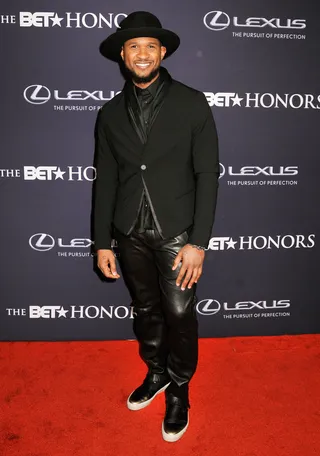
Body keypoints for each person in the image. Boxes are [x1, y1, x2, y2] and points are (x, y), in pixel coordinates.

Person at [94, 11, 219, 442]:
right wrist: (101, 242)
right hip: (128, 232)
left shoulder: (192, 101)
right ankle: (158, 373)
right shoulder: (109, 113)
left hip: (177, 233)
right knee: (145, 311)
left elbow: (207, 173)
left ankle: (180, 389)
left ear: (162, 53)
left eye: (150, 46)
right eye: (134, 47)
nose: (142, 54)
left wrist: (199, 241)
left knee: (180, 313)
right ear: (123, 57)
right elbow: (106, 178)